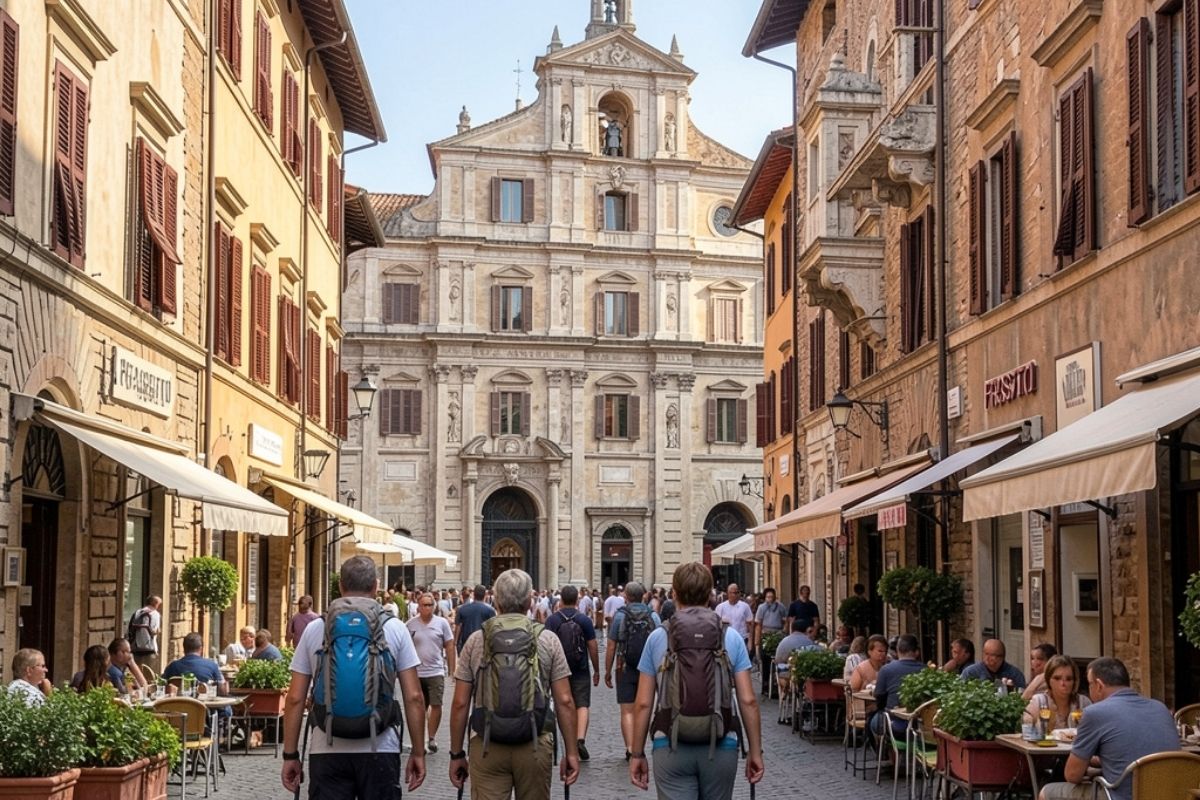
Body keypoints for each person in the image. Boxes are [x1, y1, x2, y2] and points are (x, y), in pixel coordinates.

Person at [281, 556, 428, 799]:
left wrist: (290, 755)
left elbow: (295, 698)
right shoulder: (395, 628)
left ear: (340, 586)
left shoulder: (316, 628)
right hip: (380, 746)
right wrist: (419, 752)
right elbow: (414, 697)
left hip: (326, 747)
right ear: (376, 586)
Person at [627, 561, 764, 798]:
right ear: (711, 594)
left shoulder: (658, 637)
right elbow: (748, 701)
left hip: (670, 745)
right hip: (721, 744)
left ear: (675, 593)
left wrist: (637, 753)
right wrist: (755, 751)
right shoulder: (729, 636)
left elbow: (643, 704)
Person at [447, 568, 580, 800]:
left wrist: (456, 753)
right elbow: (565, 701)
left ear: (495, 600)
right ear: (530, 600)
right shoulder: (548, 639)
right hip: (535, 743)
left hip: (488, 745)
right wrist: (571, 751)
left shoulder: (476, 640)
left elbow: (459, 703)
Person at [1039, 657, 1179, 800]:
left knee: (1047, 792)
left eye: (1090, 684)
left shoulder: (1095, 712)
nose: (1089, 690)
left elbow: (1072, 775)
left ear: (1099, 685)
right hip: (1170, 794)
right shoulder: (1160, 708)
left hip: (1121, 796)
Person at [545, 585, 599, 762]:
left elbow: (546, 646)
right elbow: (592, 645)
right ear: (577, 600)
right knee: (582, 704)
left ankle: (567, 739)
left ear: (560, 601)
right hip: (580, 667)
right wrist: (597, 669)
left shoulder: (552, 621)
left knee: (563, 702)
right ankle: (580, 739)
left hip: (559, 670)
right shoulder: (584, 620)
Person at [606, 581, 660, 760]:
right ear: (644, 595)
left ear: (626, 596)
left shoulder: (620, 616)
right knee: (644, 707)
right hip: (649, 668)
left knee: (627, 710)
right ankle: (640, 746)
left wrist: (607, 671)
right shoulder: (653, 616)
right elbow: (660, 643)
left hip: (624, 666)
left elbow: (612, 646)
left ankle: (630, 747)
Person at [406, 592, 456, 755]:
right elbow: (405, 647)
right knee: (419, 707)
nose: (427, 608)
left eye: (430, 605)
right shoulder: (410, 625)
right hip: (416, 672)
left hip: (436, 671)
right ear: (418, 606)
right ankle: (420, 738)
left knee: (436, 704)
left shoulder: (442, 623)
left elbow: (449, 645)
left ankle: (432, 737)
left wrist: (452, 669)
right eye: (424, 605)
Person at [870, 634, 925, 737]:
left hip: (893, 723)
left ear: (897, 650)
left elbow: (879, 697)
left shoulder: (886, 670)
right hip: (919, 725)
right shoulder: (926, 670)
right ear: (917, 652)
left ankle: (882, 751)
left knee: (872, 721)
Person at [1024, 655, 1091, 732]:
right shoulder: (1039, 702)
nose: (1063, 683)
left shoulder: (1083, 702)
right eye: (1057, 678)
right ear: (1048, 680)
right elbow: (1026, 731)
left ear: (1074, 681)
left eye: (1068, 679)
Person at [774, 619, 819, 699]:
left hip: (786, 675)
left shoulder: (784, 641)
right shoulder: (809, 642)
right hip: (804, 676)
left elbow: (778, 660)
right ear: (807, 629)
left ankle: (786, 691)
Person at [753, 587, 786, 696]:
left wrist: (784, 631)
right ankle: (765, 686)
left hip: (777, 635)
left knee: (779, 660)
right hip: (765, 635)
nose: (770, 599)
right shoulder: (762, 608)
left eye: (772, 597)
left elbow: (785, 621)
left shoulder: (781, 607)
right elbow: (758, 625)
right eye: (768, 597)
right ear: (765, 597)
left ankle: (778, 685)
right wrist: (757, 642)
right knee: (765, 662)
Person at [961, 639, 1027, 691]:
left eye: (996, 655)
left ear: (1003, 657)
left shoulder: (1015, 674)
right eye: (987, 654)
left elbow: (1022, 696)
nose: (990, 658)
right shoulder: (970, 672)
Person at [454, 584, 496, 654]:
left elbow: (458, 627)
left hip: (466, 643)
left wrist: (455, 642)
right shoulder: (491, 610)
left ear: (473, 594)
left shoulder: (462, 609)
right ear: (485, 594)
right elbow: (493, 628)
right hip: (482, 644)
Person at [715, 583, 754, 650]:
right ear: (728, 593)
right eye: (734, 593)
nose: (736, 595)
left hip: (742, 639)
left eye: (737, 592)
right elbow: (716, 625)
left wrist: (750, 641)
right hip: (726, 641)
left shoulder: (745, 606)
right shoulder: (720, 607)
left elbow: (750, 624)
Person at [127, 595, 162, 665]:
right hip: (150, 648)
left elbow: (130, 629)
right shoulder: (155, 614)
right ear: (155, 603)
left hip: (136, 648)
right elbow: (155, 631)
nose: (159, 606)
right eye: (159, 604)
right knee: (149, 673)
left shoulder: (137, 612)